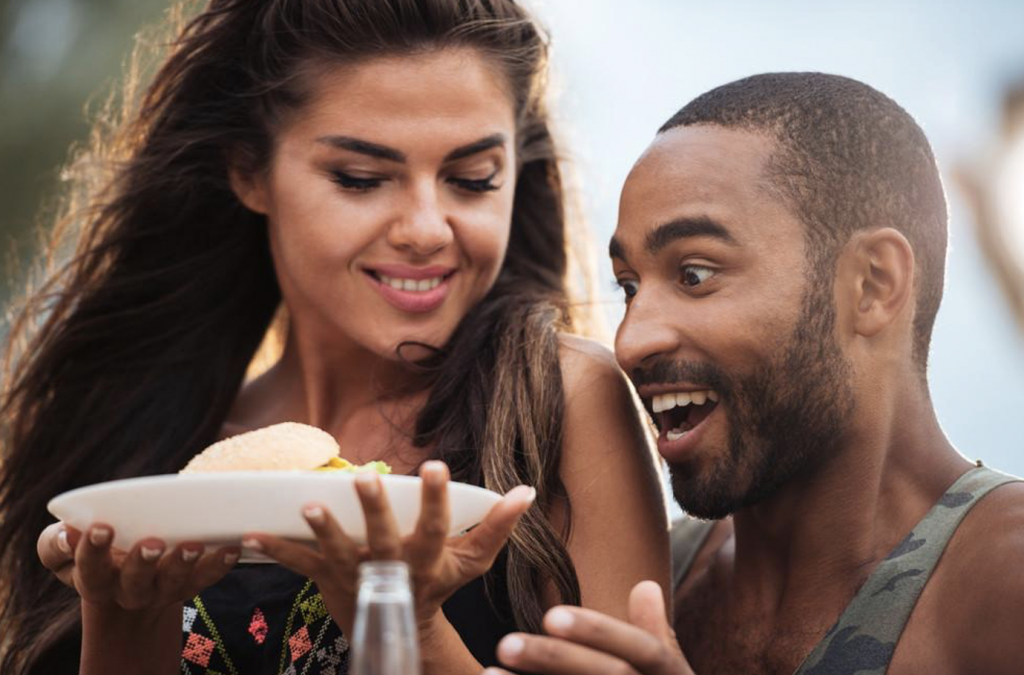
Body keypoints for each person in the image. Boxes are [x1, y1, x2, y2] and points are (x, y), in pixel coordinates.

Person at [0, 1, 670, 674]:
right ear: (249, 171)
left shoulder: (556, 400)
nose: (426, 228)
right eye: (361, 178)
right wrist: (124, 618)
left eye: (472, 181)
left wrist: (409, 624)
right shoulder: (139, 445)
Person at [486, 72, 1024, 675]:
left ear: (873, 285)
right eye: (629, 287)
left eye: (694, 274)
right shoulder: (649, 584)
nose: (630, 341)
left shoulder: (1005, 582)